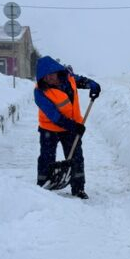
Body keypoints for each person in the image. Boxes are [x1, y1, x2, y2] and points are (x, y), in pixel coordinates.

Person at [34, 56, 100, 199]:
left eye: (52, 75)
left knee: (76, 157)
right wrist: (74, 126)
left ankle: (78, 188)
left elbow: (81, 81)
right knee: (47, 157)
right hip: (49, 128)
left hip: (71, 126)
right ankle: (42, 185)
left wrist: (92, 84)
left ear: (57, 71)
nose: (50, 79)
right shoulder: (40, 92)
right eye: (46, 78)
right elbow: (54, 116)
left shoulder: (68, 78)